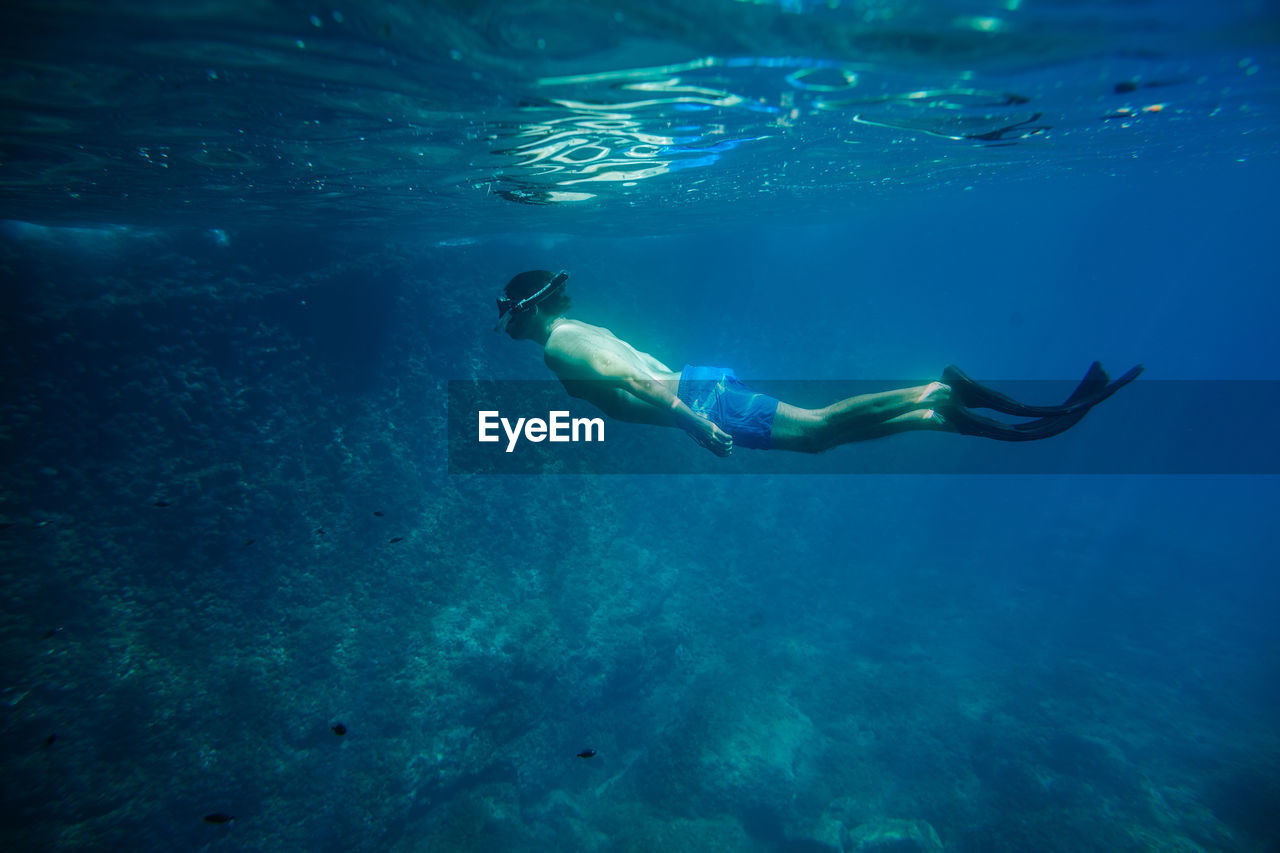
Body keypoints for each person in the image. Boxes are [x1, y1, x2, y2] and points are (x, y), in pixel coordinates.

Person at [494, 270, 1142, 457]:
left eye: (508, 313)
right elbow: (638, 370)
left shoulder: (560, 343)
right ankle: (933, 410)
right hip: (698, 389)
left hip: (699, 399)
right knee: (819, 439)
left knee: (819, 427)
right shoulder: (577, 328)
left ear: (528, 309)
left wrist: (694, 423)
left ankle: (934, 393)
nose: (507, 324)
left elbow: (636, 379)